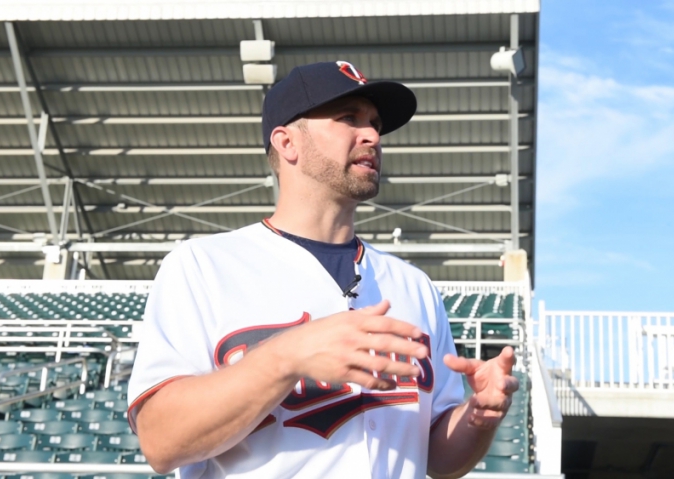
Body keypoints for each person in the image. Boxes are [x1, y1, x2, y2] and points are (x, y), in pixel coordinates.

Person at [127, 61, 519, 479]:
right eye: (348, 118)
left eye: (374, 123)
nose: (371, 135)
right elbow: (161, 442)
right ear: (287, 142)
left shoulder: (414, 286)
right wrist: (286, 356)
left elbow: (438, 460)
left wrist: (478, 416)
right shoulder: (203, 266)